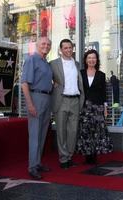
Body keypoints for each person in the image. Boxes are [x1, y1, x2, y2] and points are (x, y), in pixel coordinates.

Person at [21, 37, 52, 180]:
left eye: (48, 44)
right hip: (35, 98)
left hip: (46, 98)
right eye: (43, 44)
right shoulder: (31, 59)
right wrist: (30, 104)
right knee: (34, 134)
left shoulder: (45, 62)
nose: (46, 46)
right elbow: (24, 84)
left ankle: (37, 162)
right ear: (37, 46)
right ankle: (32, 167)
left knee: (42, 133)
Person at [50, 39, 84, 169]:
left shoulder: (77, 64)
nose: (68, 50)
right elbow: (46, 77)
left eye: (70, 47)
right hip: (61, 100)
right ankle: (63, 159)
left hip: (75, 100)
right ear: (61, 50)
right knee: (61, 131)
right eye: (65, 48)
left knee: (73, 131)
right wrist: (52, 85)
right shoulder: (53, 64)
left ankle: (69, 156)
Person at [77, 49, 113, 164]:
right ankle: (87, 155)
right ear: (86, 60)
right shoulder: (80, 73)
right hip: (84, 107)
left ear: (97, 60)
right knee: (85, 131)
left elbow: (104, 93)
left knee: (97, 131)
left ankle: (94, 154)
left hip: (97, 107)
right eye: (89, 58)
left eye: (94, 58)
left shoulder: (101, 75)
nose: (91, 60)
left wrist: (105, 108)